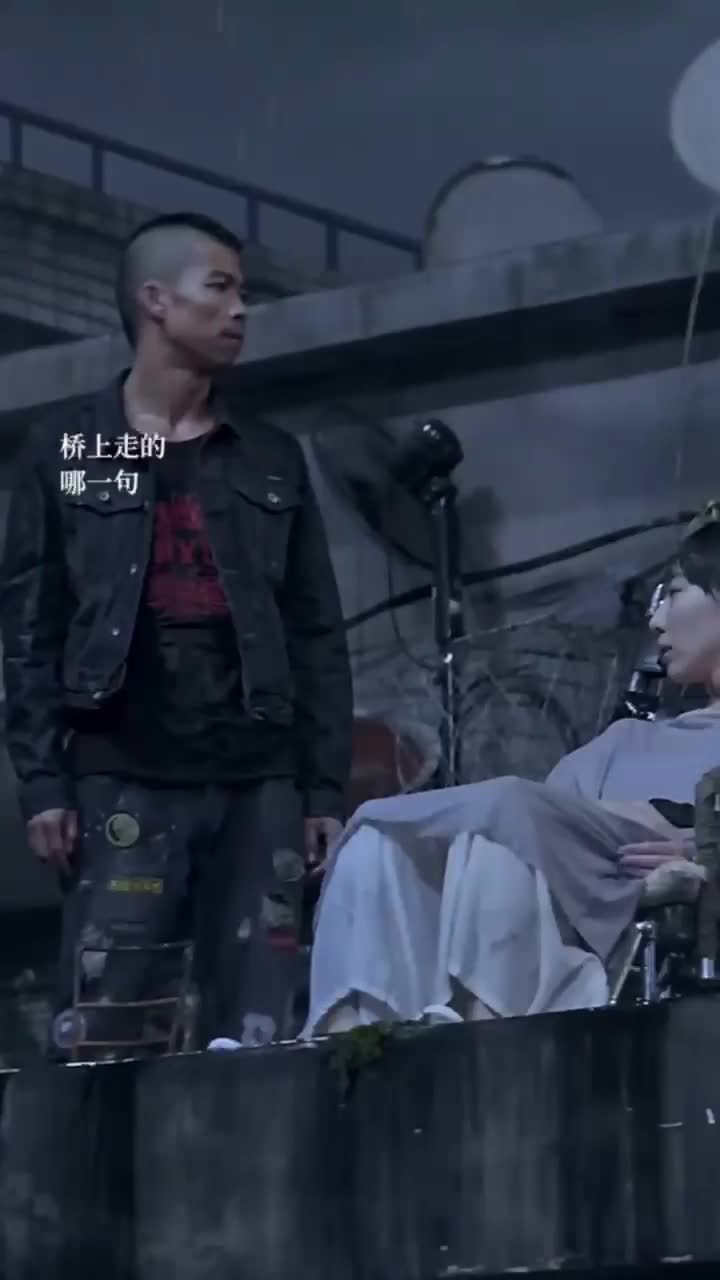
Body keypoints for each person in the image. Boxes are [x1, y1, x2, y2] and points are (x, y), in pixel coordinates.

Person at [0, 211, 352, 1058]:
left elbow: (315, 630)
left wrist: (321, 790)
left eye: (243, 292)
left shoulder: (268, 455)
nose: (240, 310)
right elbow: (29, 624)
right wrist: (42, 783)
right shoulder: (73, 448)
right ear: (155, 301)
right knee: (105, 1030)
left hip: (259, 780)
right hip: (122, 773)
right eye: (219, 288)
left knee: (260, 1032)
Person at [301, 507, 720, 1037]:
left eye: (674, 594)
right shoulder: (623, 743)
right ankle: (350, 1043)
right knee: (376, 848)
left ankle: (484, 1039)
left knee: (503, 829)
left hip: (605, 930)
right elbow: (538, 821)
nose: (656, 621)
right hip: (563, 896)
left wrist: (702, 850)